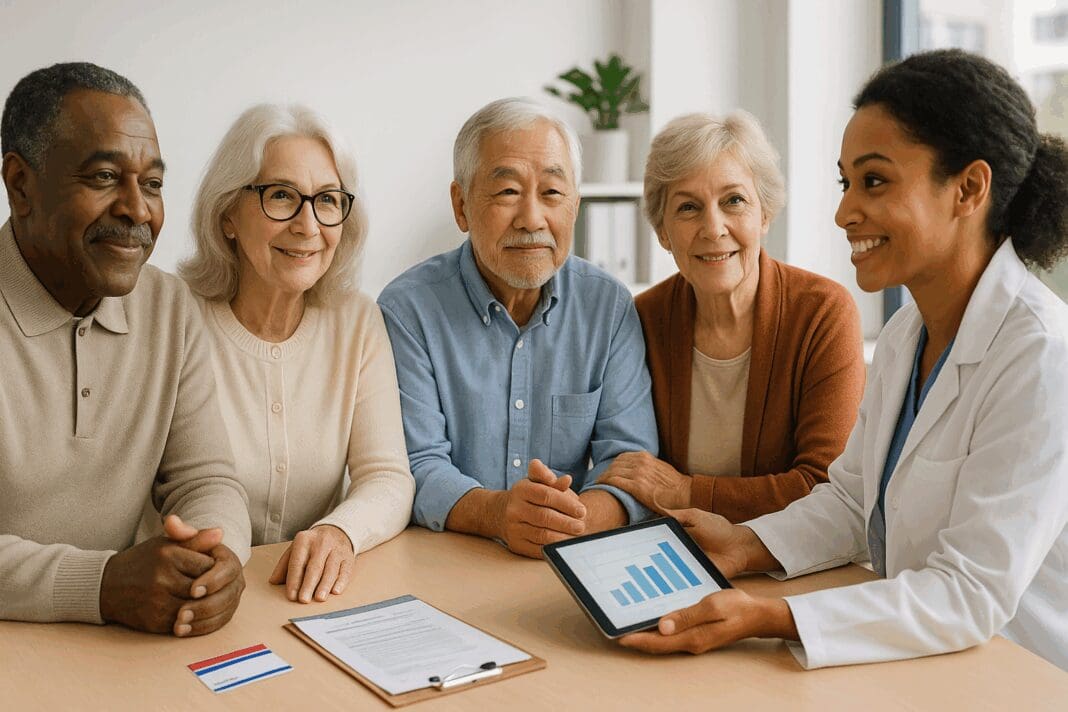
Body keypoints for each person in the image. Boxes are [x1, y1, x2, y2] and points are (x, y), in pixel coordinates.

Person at [618, 49, 1068, 672]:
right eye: (845, 182)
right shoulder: (910, 331)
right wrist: (746, 545)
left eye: (874, 181)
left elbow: (970, 593)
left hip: (1019, 673)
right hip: (921, 660)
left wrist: (771, 616)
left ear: (968, 188)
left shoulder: (1041, 357)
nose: (843, 212)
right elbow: (854, 502)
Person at [0, 62, 251, 637]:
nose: (138, 210)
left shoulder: (169, 306)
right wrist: (101, 584)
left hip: (123, 645)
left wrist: (218, 556)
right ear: (20, 186)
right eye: (103, 176)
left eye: (153, 183)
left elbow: (205, 478)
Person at [378, 98, 659, 558]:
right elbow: (415, 463)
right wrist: (497, 513)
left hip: (572, 559)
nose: (532, 219)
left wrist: (566, 522)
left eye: (551, 193)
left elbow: (629, 463)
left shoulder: (608, 307)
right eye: (507, 192)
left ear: (575, 207)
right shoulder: (408, 309)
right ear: (461, 204)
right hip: (444, 560)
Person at [175, 104, 414, 604]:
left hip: (301, 599)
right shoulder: (174, 318)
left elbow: (388, 476)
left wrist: (340, 532)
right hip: (194, 591)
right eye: (281, 196)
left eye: (327, 200)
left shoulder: (357, 320)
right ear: (228, 217)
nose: (308, 225)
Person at [598, 112, 864, 522]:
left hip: (788, 561)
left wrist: (686, 491)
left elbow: (824, 487)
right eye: (688, 207)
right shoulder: (643, 319)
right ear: (663, 232)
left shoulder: (822, 313)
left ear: (765, 214)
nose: (713, 227)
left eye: (733, 201)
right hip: (678, 553)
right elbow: (631, 472)